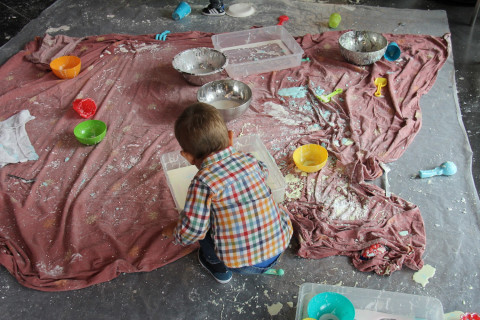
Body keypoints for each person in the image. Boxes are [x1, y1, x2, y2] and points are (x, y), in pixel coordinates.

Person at [171, 102, 293, 284]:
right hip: (281, 244)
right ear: (230, 138)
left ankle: (219, 269)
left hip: (242, 264)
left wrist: (175, 233)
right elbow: (264, 171)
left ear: (187, 156)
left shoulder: (202, 182)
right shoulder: (251, 161)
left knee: (202, 225)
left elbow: (194, 231)